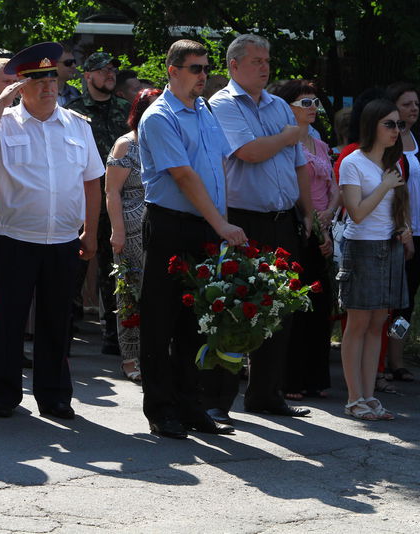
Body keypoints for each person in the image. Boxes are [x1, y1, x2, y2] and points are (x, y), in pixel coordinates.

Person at [0, 42, 103, 419]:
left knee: (57, 322)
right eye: (37, 80)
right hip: (15, 239)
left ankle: (54, 394)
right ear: (20, 86)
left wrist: (90, 232)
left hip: (62, 240)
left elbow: (93, 181)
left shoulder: (77, 125)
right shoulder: (4, 122)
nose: (48, 87)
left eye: (51, 78)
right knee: (8, 320)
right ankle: (3, 393)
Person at [205, 34, 313, 422]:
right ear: (234, 65)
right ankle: (218, 400)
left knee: (279, 308)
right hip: (243, 220)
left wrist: (308, 211)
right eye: (256, 61)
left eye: (267, 60)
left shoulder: (279, 106)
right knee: (234, 308)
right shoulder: (222, 104)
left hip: (282, 219)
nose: (265, 67)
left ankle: (266, 394)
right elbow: (249, 154)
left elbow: (298, 162)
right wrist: (288, 135)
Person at [136, 39, 241, 439]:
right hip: (169, 224)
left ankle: (190, 405)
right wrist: (221, 225)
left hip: (204, 226)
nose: (203, 76)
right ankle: (161, 410)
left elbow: (217, 173)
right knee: (160, 321)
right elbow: (185, 177)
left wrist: (223, 225)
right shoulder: (160, 116)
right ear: (173, 71)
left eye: (205, 68)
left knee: (195, 321)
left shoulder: (205, 110)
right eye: (195, 68)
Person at [338, 98, 410, 421]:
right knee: (358, 324)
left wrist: (404, 229)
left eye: (400, 125)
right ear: (373, 126)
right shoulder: (353, 162)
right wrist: (384, 186)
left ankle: (369, 397)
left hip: (389, 247)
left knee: (377, 325)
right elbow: (356, 212)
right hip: (362, 248)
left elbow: (393, 206)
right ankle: (354, 399)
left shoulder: (392, 162)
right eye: (390, 124)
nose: (397, 130)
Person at [271, 80, 340, 399]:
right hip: (297, 224)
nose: (313, 107)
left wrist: (328, 218)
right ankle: (290, 379)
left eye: (314, 102)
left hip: (321, 227)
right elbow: (292, 185)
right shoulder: (285, 142)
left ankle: (315, 378)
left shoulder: (319, 143)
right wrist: (313, 218)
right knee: (294, 304)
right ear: (288, 107)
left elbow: (333, 183)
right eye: (305, 102)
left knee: (319, 302)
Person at [66, 52, 130, 356]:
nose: (109, 74)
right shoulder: (72, 111)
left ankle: (114, 335)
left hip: (118, 202)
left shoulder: (125, 109)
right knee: (74, 268)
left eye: (112, 69)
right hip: (83, 201)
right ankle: (63, 329)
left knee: (113, 270)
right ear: (87, 75)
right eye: (102, 70)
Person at [106, 87, 161, 383]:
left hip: (160, 225)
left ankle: (154, 356)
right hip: (131, 227)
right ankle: (130, 358)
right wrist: (117, 231)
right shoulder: (125, 145)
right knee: (129, 293)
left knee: (156, 295)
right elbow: (111, 191)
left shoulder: (166, 142)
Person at [385, 82, 419, 383]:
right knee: (395, 296)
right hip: (400, 230)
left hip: (419, 230)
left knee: (408, 301)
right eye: (407, 104)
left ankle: (397, 358)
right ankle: (387, 359)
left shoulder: (416, 140)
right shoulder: (389, 141)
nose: (414, 109)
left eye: (416, 104)